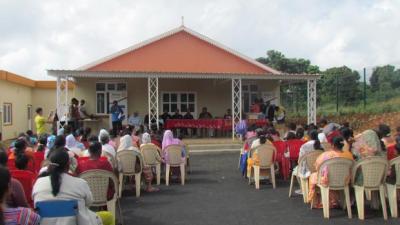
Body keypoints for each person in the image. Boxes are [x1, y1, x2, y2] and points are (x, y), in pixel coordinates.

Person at [33, 149, 112, 225]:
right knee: (108, 216)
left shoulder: (38, 183)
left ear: (49, 165)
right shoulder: (80, 183)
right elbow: (89, 202)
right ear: (68, 165)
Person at [308, 136, 354, 208]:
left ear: (332, 145)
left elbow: (317, 167)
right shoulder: (349, 155)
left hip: (329, 180)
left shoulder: (326, 154)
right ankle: (335, 200)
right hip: (345, 180)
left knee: (313, 176)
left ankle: (316, 201)